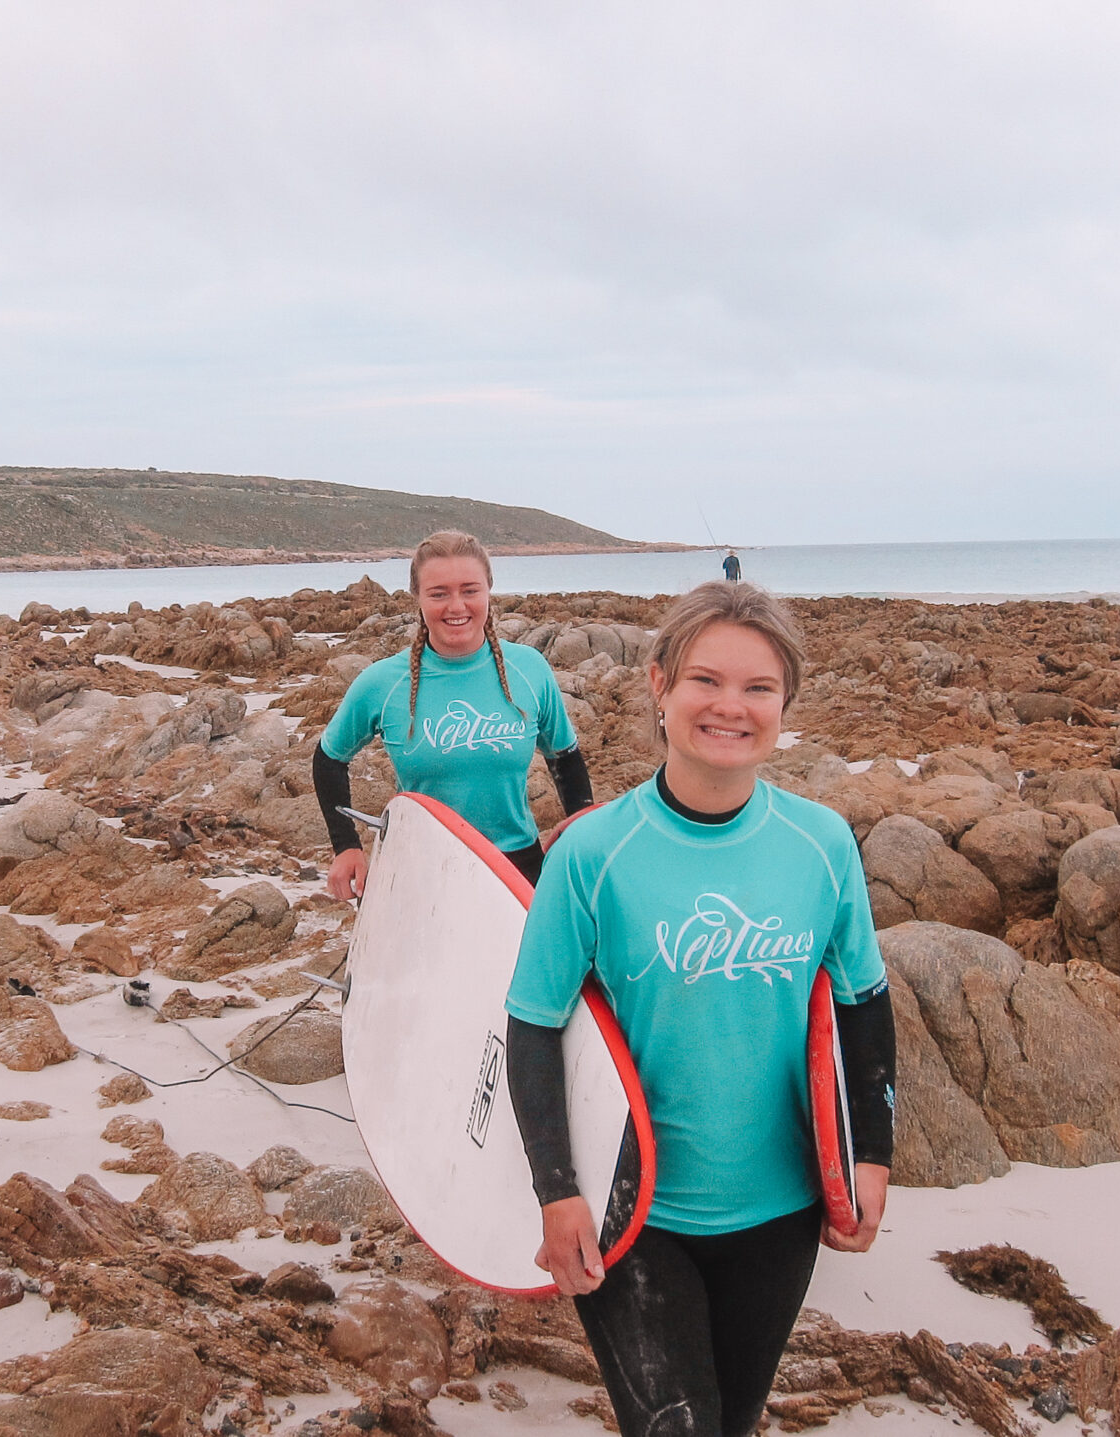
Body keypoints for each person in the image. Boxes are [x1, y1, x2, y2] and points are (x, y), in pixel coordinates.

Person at [503, 580, 896, 1437]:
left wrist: (872, 1153)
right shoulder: (595, 854)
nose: (731, 706)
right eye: (706, 681)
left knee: (733, 1420)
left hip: (781, 1209)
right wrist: (557, 1190)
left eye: (759, 687)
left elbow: (864, 1001)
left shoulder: (821, 844)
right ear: (659, 686)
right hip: (633, 1210)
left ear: (785, 703)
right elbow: (531, 1022)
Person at [315, 530, 595, 892]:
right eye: (439, 593)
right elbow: (328, 759)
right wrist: (346, 847)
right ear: (418, 597)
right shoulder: (383, 683)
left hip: (516, 866)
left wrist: (581, 832)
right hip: (418, 871)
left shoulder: (529, 669)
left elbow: (566, 757)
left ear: (489, 590)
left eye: (470, 590)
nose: (457, 606)